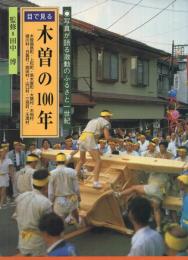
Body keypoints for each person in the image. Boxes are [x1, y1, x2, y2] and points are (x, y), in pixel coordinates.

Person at [15, 169, 52, 256]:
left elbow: (16, 216)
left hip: (22, 240)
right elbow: (49, 226)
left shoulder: (21, 197)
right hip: (37, 243)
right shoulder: (45, 202)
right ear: (46, 185)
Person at [76, 110, 112, 188]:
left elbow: (93, 138)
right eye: (109, 117)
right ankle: (95, 182)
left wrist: (98, 151)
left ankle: (72, 180)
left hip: (82, 137)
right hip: (89, 138)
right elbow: (107, 137)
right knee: (98, 161)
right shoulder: (105, 122)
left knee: (81, 160)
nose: (110, 118)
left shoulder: (93, 120)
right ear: (105, 117)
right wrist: (118, 140)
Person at [49, 153, 80, 224]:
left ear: (56, 162)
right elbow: (77, 189)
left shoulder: (51, 173)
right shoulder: (72, 171)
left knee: (59, 221)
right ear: (65, 161)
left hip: (59, 200)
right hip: (72, 198)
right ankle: (78, 223)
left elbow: (51, 193)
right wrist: (79, 197)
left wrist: (51, 202)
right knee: (74, 210)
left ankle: (60, 232)